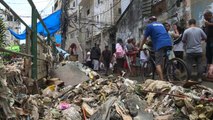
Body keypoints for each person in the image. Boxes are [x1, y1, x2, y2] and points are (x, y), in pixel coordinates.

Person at [140, 16, 172, 80]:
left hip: (160, 44)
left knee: (157, 64)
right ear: (156, 20)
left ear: (150, 21)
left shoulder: (149, 26)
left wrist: (140, 47)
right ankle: (165, 74)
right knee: (162, 60)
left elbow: (144, 38)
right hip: (168, 43)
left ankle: (162, 80)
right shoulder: (161, 25)